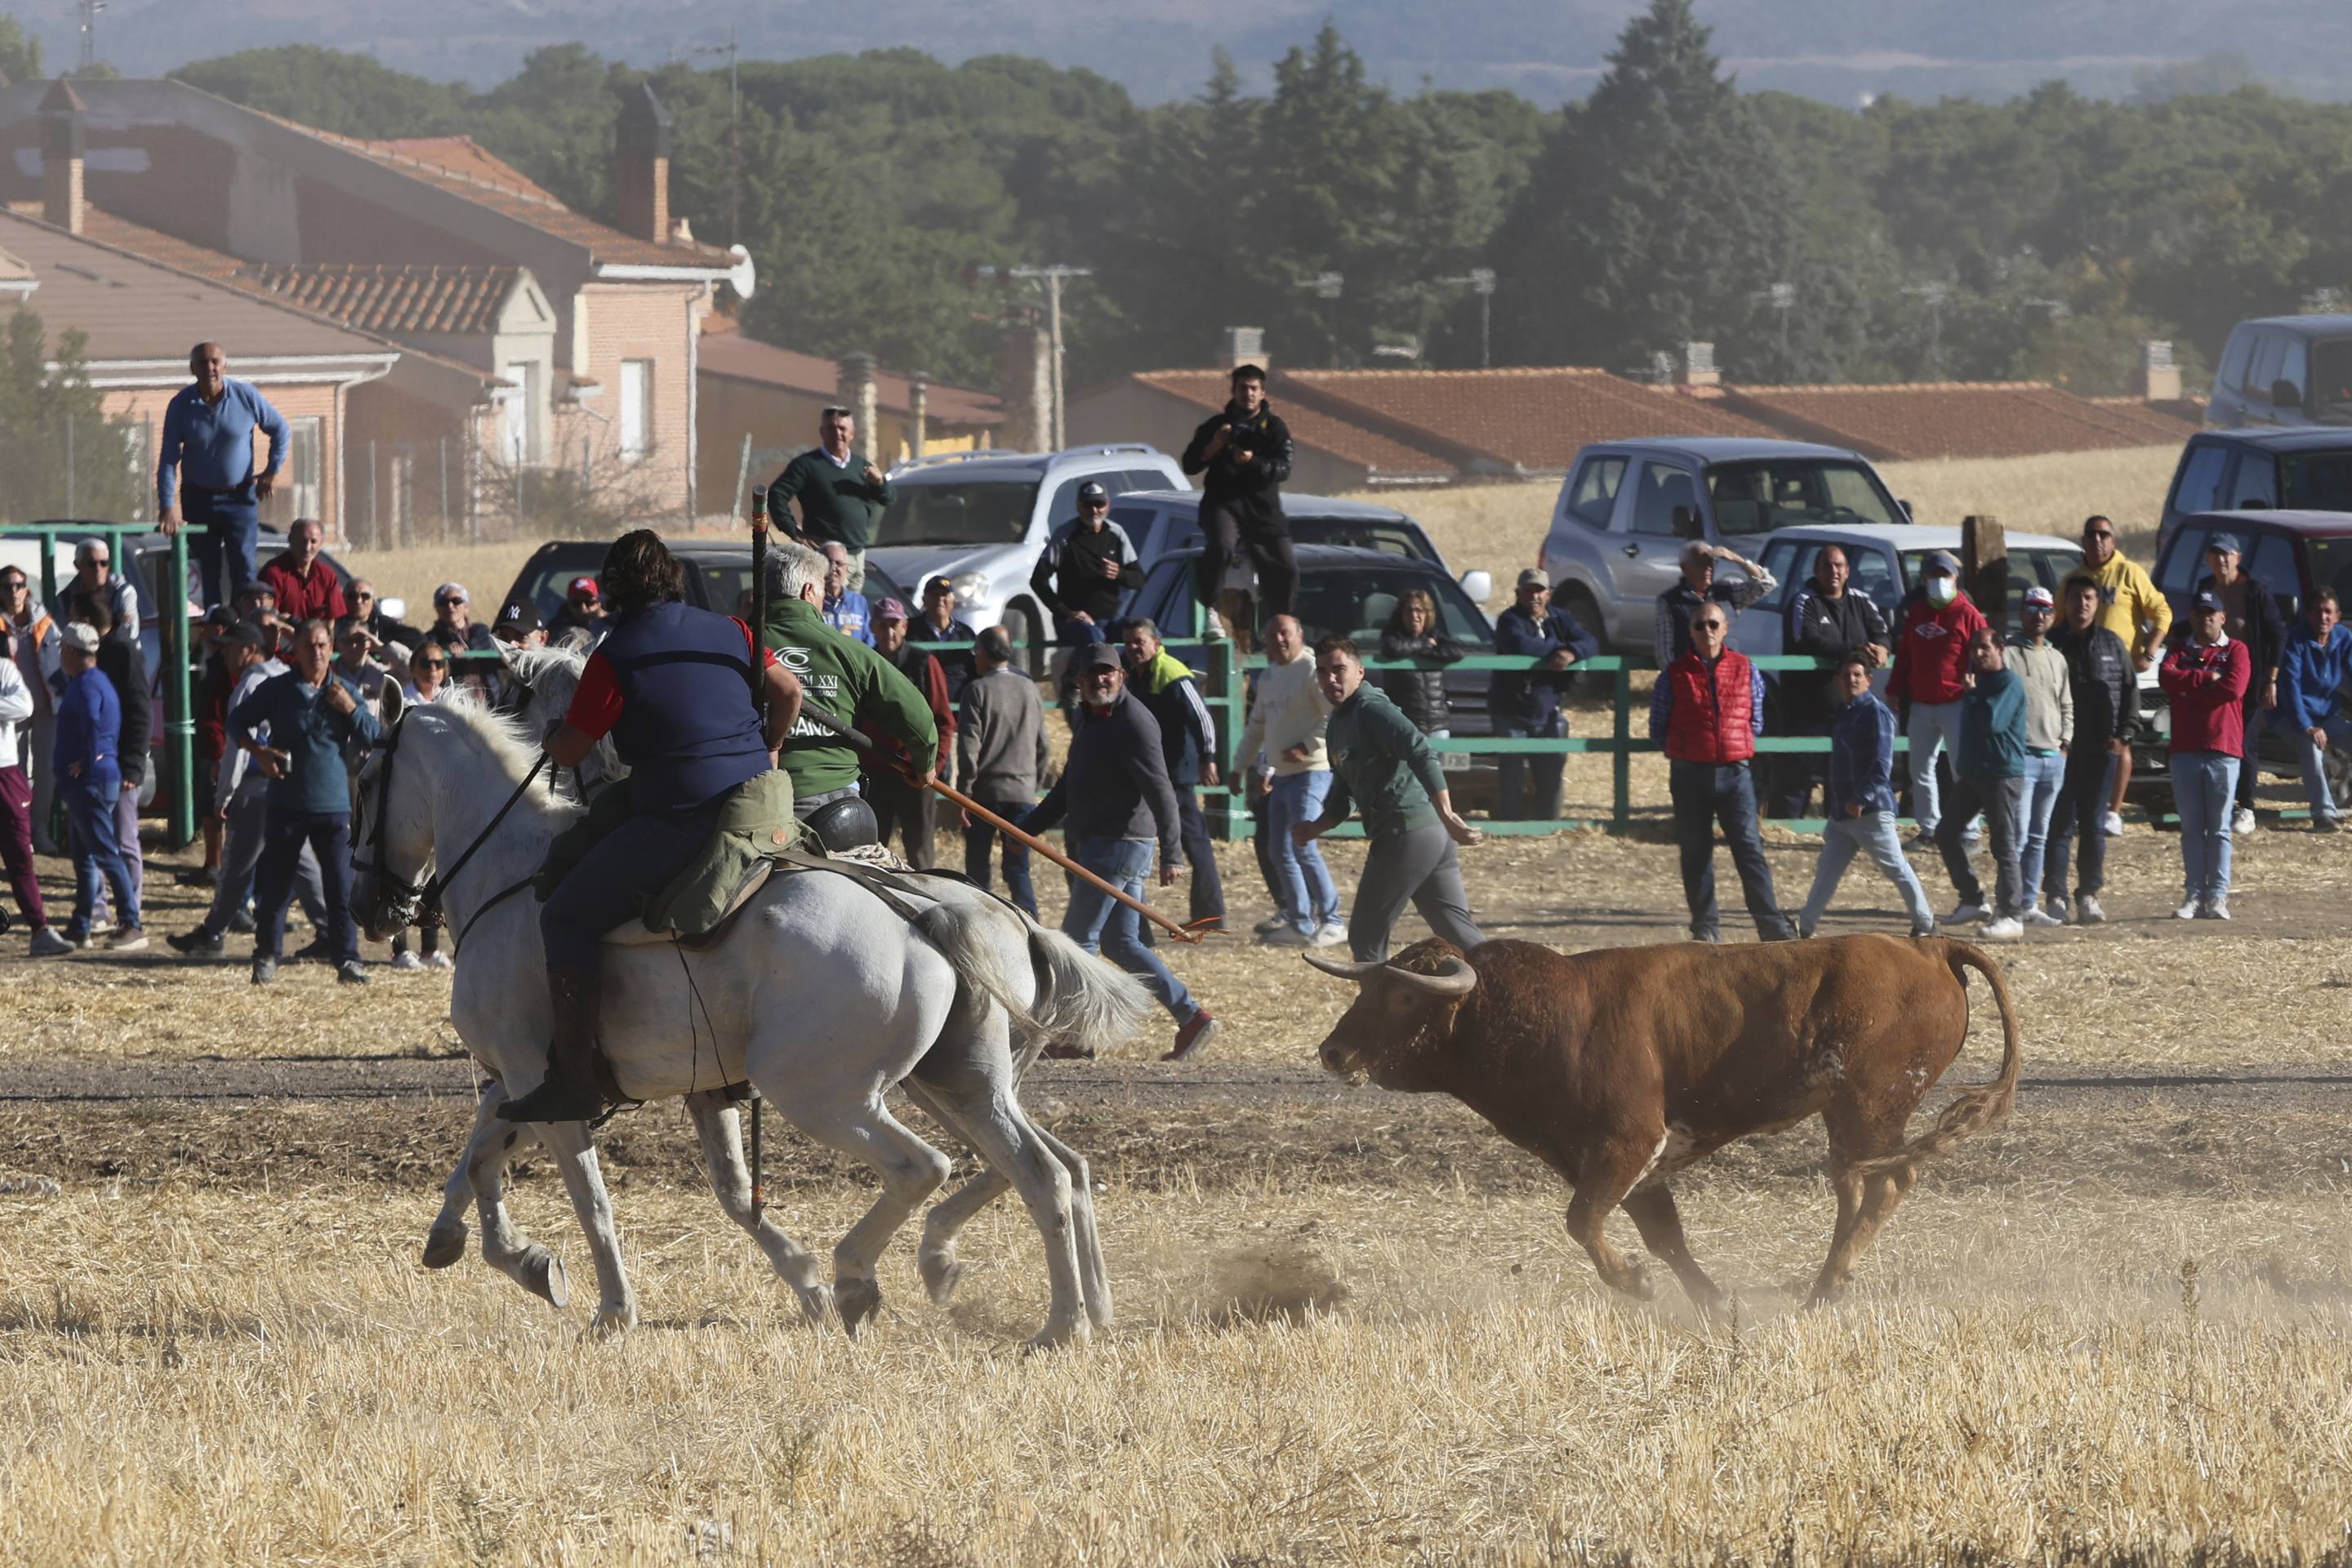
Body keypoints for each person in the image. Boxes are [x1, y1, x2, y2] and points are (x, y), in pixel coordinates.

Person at [505, 531, 803, 1122]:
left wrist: (551, 734)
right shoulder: (733, 630)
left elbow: (571, 753)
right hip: (759, 804)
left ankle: (574, 1078)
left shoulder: (615, 654)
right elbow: (789, 690)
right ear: (672, 578)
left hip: (682, 815)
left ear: (614, 591)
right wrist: (770, 745)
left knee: (564, 915)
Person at [1022, 643, 1216, 1061]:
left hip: (1120, 842)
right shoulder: (1089, 720)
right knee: (1122, 943)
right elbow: (1067, 788)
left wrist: (1173, 852)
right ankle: (1192, 1016)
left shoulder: (1134, 721)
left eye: (1107, 673)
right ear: (1079, 683)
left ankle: (1075, 1036)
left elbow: (1161, 788)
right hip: (1105, 841)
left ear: (1122, 676)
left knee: (1077, 942)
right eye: (1091, 676)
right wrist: (1026, 829)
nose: (1100, 680)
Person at [1294, 636, 1485, 962]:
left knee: (1366, 939)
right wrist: (1316, 827)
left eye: (1339, 669)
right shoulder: (1339, 723)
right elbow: (1344, 793)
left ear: (1360, 672)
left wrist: (1448, 814)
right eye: (1323, 672)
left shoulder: (1372, 709)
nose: (1331, 679)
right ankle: (1502, 982)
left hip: (1407, 833)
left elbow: (1421, 750)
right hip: (1427, 835)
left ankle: (1380, 1013)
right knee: (1457, 931)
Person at [167, 622, 332, 961]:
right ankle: (331, 929)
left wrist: (223, 796)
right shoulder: (287, 675)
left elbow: (238, 747)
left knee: (237, 867)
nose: (225, 652)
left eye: (231, 646)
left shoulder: (253, 684)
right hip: (289, 786)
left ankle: (213, 934)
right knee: (301, 862)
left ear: (250, 649)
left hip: (257, 790)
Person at [228, 618, 380, 985]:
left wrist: (352, 710)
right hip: (286, 803)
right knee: (276, 887)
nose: (317, 652)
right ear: (294, 649)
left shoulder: (343, 691)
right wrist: (259, 753)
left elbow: (375, 737)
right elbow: (236, 722)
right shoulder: (278, 689)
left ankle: (348, 959)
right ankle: (266, 957)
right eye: (309, 645)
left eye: (323, 645)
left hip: (333, 807)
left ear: (333, 649)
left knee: (341, 887)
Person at [760, 541, 939, 848]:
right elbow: (918, 718)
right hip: (842, 807)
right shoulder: (849, 649)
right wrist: (925, 764)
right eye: (820, 594)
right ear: (807, 592)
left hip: (766, 805)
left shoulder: (738, 643)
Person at [1649, 603, 1793, 943]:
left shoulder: (1746, 669)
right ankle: (1706, 926)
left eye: (1713, 623)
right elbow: (1658, 724)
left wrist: (1734, 743)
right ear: (1691, 630)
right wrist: (1685, 747)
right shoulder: (1674, 674)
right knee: (1696, 852)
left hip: (1735, 772)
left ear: (1726, 628)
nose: (1707, 630)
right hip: (1689, 774)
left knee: (1750, 849)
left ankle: (1769, 923)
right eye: (1700, 625)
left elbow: (1756, 720)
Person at [1794, 653, 1935, 940]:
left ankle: (1926, 923)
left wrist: (1859, 799)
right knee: (1826, 873)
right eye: (1846, 675)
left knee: (1895, 867)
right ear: (1838, 680)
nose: (1852, 680)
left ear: (1869, 680)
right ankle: (1804, 927)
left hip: (1869, 810)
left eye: (1858, 674)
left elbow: (1883, 765)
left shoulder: (1876, 712)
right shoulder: (1844, 712)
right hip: (1842, 813)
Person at [157, 341, 292, 608]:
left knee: (244, 569)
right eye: (203, 362)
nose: (210, 368)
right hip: (198, 499)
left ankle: (247, 634)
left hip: (240, 497)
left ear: (225, 366)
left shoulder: (245, 396)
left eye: (215, 362)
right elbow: (169, 459)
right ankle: (212, 630)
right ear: (192, 368)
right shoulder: (181, 405)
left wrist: (272, 471)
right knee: (207, 570)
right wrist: (167, 506)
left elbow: (281, 430)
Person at [1234, 614, 1341, 947]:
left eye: (1284, 633)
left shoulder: (1312, 670)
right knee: (1278, 849)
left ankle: (1333, 920)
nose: (1278, 640)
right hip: (1282, 775)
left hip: (1312, 772)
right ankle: (1299, 921)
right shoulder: (1269, 676)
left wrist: (1306, 745)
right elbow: (1257, 726)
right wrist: (1239, 767)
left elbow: (1333, 715)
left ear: (1299, 635)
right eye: (1271, 635)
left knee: (1303, 844)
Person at [2044, 574, 2139, 925]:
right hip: (2062, 750)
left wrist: (2124, 735)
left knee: (2094, 826)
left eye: (2088, 598)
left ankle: (2089, 895)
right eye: (2075, 598)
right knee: (2060, 825)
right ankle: (2055, 895)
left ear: (2097, 603)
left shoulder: (2113, 645)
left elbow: (2131, 691)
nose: (2081, 604)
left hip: (2102, 752)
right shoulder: (2051, 644)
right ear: (2064, 603)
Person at [1120, 618, 1226, 931]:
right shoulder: (1136, 676)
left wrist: (1209, 759)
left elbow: (1203, 718)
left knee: (1194, 840)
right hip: (1151, 770)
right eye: (1129, 643)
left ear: (1156, 642)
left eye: (1139, 641)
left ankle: (1212, 914)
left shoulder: (1173, 674)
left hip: (1176, 773)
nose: (1134, 648)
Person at [1774, 544, 1889, 817]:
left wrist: (1883, 647)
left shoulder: (1862, 600)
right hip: (1808, 710)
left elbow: (1882, 631)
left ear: (1848, 571)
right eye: (1827, 565)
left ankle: (1839, 829)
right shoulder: (1804, 601)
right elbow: (1809, 639)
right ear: (1816, 570)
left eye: (1839, 566)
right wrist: (1859, 649)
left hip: (1849, 711)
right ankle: (1785, 829)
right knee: (1796, 778)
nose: (1834, 571)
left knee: (1842, 778)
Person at [1180, 363, 1296, 630]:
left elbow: (1284, 468)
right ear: (1233, 391)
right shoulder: (1216, 426)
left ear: (1263, 392)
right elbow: (1189, 464)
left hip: (1262, 508)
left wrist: (1252, 461)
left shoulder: (1274, 429)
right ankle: (1210, 607)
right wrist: (1213, 447)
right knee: (1221, 544)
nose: (1248, 394)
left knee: (1287, 566)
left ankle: (1283, 622)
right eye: (1242, 388)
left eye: (1254, 388)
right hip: (1223, 503)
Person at [1933, 628, 2030, 941]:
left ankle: (2012, 914)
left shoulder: (2008, 683)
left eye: (1985, 647)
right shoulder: (1978, 682)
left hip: (2001, 774)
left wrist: (1972, 695)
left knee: (2004, 845)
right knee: (1946, 833)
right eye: (1974, 648)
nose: (1978, 653)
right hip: (1975, 774)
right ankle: (1973, 899)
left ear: (2000, 648)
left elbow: (1993, 723)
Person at [2161, 591, 2252, 920]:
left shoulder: (2236, 650)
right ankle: (2193, 895)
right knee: (2191, 828)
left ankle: (2217, 897)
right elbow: (2166, 677)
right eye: (2200, 613)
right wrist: (2203, 679)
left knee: (2219, 829)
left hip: (2223, 749)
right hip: (2185, 749)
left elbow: (2234, 688)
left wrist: (2190, 690)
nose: (2205, 619)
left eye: (2211, 613)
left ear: (2222, 617)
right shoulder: (2179, 650)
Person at [51, 622, 144, 950]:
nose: (60, 655)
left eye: (63, 649)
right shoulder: (100, 681)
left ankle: (131, 923)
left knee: (104, 853)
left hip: (90, 782)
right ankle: (82, 925)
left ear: (74, 653)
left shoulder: (86, 686)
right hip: (97, 779)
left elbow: (92, 722)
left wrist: (88, 760)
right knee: (87, 856)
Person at [2078, 514, 2171, 836]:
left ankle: (2114, 812)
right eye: (2091, 535)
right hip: (2083, 675)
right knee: (2084, 744)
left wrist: (2148, 652)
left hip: (2120, 676)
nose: (2098, 540)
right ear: (2083, 541)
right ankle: (2089, 806)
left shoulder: (2129, 572)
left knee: (2121, 742)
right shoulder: (2076, 580)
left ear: (2114, 540)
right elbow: (2059, 618)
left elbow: (2162, 612)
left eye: (2104, 534)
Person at [1887, 551, 1988, 840]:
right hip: (1921, 703)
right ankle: (1930, 828)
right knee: (1920, 770)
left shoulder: (1968, 614)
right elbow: (1904, 657)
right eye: (1934, 575)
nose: (1940, 581)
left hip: (1956, 703)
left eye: (1945, 575)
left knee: (1962, 769)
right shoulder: (1917, 612)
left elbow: (1984, 656)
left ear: (1956, 577)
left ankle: (1968, 829)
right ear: (1925, 578)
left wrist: (1979, 690)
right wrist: (1895, 689)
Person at [1490, 568, 1599, 822]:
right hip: (1511, 710)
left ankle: (1544, 827)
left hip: (1547, 709)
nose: (1534, 596)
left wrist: (1573, 652)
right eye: (1528, 591)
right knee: (1512, 780)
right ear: (1518, 594)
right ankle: (1512, 830)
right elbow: (1522, 645)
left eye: (1539, 591)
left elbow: (1591, 642)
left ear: (1549, 594)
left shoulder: (1561, 618)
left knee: (1550, 777)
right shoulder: (1509, 620)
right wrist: (1561, 650)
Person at [956, 626, 1049, 915]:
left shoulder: (977, 690)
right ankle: (1031, 924)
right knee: (1018, 869)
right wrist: (1033, 783)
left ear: (982, 653)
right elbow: (1044, 745)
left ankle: (979, 921)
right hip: (1022, 792)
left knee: (978, 870)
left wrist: (964, 794)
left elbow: (969, 749)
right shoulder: (1030, 689)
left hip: (985, 793)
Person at [2194, 533, 2284, 835]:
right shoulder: (2206, 589)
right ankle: (2217, 803)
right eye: (2215, 554)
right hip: (2213, 676)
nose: (2221, 560)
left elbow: (2277, 635)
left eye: (2227, 554)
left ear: (2238, 558)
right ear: (2208, 559)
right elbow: (2193, 626)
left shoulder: (2255, 591)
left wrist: (2271, 679)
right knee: (2215, 739)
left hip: (2251, 678)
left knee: (2245, 742)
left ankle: (2246, 807)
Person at [72, 596, 152, 920]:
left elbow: (140, 711)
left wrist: (133, 764)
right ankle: (98, 909)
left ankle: (130, 908)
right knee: (94, 838)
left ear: (89, 621)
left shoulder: (121, 652)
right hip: (97, 762)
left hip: (119, 764)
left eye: (76, 620)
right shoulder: (95, 655)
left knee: (123, 838)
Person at [866, 599, 955, 868]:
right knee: (870, 850)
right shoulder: (864, 661)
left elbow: (944, 721)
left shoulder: (923, 663)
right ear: (872, 628)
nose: (889, 633)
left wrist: (932, 766)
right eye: (883, 626)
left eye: (894, 625)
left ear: (905, 627)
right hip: (874, 774)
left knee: (920, 852)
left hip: (914, 774)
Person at [767, 405, 893, 587]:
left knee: (851, 612)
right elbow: (776, 495)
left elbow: (888, 499)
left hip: (857, 555)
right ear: (822, 432)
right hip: (827, 558)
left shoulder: (861, 466)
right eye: (831, 428)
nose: (837, 433)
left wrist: (879, 483)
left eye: (842, 428)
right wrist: (795, 532)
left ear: (852, 433)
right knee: (828, 610)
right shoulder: (807, 465)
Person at [2007, 588, 2074, 927]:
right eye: (2032, 608)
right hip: (2022, 759)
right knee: (2017, 836)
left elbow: (2067, 703)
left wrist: (2066, 741)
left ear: (2052, 616)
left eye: (2045, 610)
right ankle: (2010, 903)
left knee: (2039, 836)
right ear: (2022, 612)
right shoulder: (2008, 654)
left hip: (2053, 758)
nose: (2039, 615)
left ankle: (2030, 902)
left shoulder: (2057, 658)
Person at [1031, 480, 1143, 677]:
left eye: (1099, 504)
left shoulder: (1116, 534)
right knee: (1095, 639)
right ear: (1078, 506)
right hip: (1075, 622)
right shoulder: (1065, 536)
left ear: (1108, 505)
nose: (1094, 511)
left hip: (1111, 619)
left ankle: (1139, 681)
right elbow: (1038, 580)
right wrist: (1066, 612)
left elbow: (1139, 579)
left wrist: (1119, 574)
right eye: (1088, 505)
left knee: (1146, 631)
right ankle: (1073, 682)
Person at [0, 644, 69, 954]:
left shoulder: (4, 669)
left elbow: (24, 706)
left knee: (20, 854)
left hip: (5, 773)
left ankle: (40, 928)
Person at [2276, 587, 2352, 831]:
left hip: (2327, 715)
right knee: (2312, 747)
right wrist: (2306, 726)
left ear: (2338, 616)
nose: (2323, 618)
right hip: (2290, 715)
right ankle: (2323, 815)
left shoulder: (2343, 638)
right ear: (2308, 614)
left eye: (2329, 612)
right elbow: (2291, 689)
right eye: (2318, 612)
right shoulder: (2295, 640)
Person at [2, 565, 62, 854]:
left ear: (27, 589)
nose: (14, 591)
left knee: (47, 772)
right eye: (7, 586)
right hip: (11, 714)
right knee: (17, 775)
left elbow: (63, 659)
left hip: (46, 709)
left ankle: (40, 830)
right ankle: (19, 833)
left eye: (19, 585)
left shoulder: (45, 621)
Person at [1654, 541, 1775, 671]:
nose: (1708, 568)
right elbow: (1665, 653)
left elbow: (1766, 584)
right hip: (1690, 678)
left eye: (1711, 563)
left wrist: (1736, 558)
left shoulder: (1727, 592)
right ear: (1684, 567)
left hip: (1728, 675)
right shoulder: (1670, 601)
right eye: (1701, 564)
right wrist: (1681, 680)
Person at [1376, 589, 1464, 736]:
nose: (1414, 616)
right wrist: (1425, 645)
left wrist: (1425, 650)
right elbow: (1391, 648)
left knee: (1437, 759)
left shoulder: (1434, 634)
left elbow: (1457, 651)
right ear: (1401, 615)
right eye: (1409, 611)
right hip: (1406, 723)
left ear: (1427, 614)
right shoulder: (1393, 634)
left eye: (1419, 611)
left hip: (1437, 723)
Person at [256, 519, 347, 625]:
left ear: (321, 543)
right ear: (291, 540)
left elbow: (332, 620)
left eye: (313, 541)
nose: (307, 548)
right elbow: (269, 619)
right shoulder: (274, 573)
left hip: (317, 639)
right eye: (302, 541)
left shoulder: (327, 575)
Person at [57, 538, 140, 645]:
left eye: (104, 563)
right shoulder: (65, 599)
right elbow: (63, 637)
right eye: (92, 563)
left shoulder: (124, 592)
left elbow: (130, 633)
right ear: (78, 565)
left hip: (120, 656)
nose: (98, 569)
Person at [915, 575, 979, 706]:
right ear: (924, 600)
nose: (940, 599)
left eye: (945, 595)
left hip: (958, 711)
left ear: (953, 600)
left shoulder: (966, 634)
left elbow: (976, 671)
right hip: (921, 709)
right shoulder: (910, 631)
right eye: (934, 595)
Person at [348, 580, 425, 666]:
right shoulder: (334, 624)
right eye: (352, 596)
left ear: (373, 601)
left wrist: (380, 645)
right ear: (343, 599)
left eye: (365, 596)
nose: (358, 601)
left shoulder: (382, 624)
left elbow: (420, 639)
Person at [819, 542, 872, 646]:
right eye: (829, 562)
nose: (834, 568)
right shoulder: (811, 601)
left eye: (839, 563)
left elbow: (870, 641)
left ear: (846, 568)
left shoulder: (859, 602)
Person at [550, 577, 610, 645]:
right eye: (576, 603)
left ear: (598, 604)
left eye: (590, 602)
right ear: (568, 605)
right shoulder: (558, 628)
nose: (583, 608)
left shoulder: (610, 624)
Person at [403, 642, 455, 706]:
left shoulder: (451, 700)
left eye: (439, 663)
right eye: (425, 663)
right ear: (412, 666)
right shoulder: (402, 701)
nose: (433, 668)